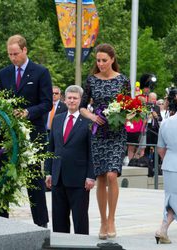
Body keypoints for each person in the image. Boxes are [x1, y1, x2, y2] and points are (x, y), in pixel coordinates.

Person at [0, 34, 52, 226]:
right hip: (10, 134)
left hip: (33, 135)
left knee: (34, 180)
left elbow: (47, 104)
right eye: (10, 54)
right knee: (4, 175)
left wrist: (27, 112)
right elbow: (2, 101)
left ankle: (41, 223)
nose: (13, 58)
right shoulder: (4, 73)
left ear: (25, 50)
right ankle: (1, 220)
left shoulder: (40, 72)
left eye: (16, 54)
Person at [80, 43, 130, 239]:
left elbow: (130, 106)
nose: (100, 64)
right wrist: (92, 117)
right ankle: (102, 221)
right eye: (98, 60)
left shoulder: (123, 80)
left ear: (112, 60)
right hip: (98, 133)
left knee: (111, 175)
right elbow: (83, 107)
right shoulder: (92, 80)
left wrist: (126, 115)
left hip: (117, 133)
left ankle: (112, 219)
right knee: (101, 176)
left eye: (104, 60)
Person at [45, 85, 95, 234]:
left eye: (75, 98)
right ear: (64, 99)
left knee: (80, 219)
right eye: (69, 98)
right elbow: (51, 148)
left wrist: (91, 176)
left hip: (79, 180)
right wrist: (48, 172)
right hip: (58, 177)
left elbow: (92, 151)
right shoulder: (58, 120)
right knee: (59, 219)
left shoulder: (88, 122)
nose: (72, 101)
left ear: (80, 100)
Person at [155, 93, 177, 244]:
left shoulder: (166, 122)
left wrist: (169, 160)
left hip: (170, 165)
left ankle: (163, 229)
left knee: (172, 200)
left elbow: (160, 148)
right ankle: (162, 229)